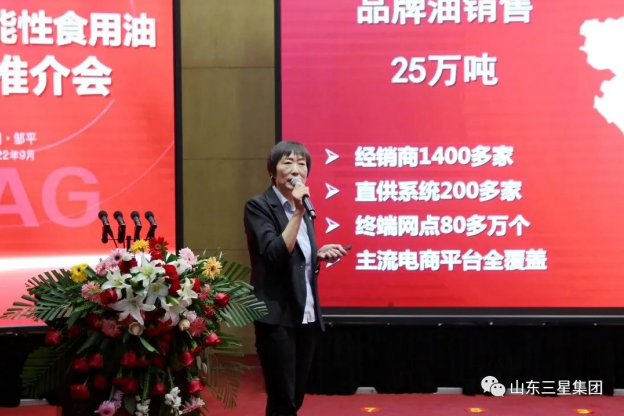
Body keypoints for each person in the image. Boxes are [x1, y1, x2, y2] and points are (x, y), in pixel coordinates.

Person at [243, 141, 348, 416]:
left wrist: (317, 254)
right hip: (276, 316)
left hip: (305, 314)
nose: (295, 169)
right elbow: (274, 253)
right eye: (287, 162)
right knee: (282, 397)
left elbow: (295, 256)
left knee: (296, 396)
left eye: (302, 164)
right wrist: (299, 211)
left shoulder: (303, 210)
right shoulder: (259, 206)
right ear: (273, 171)